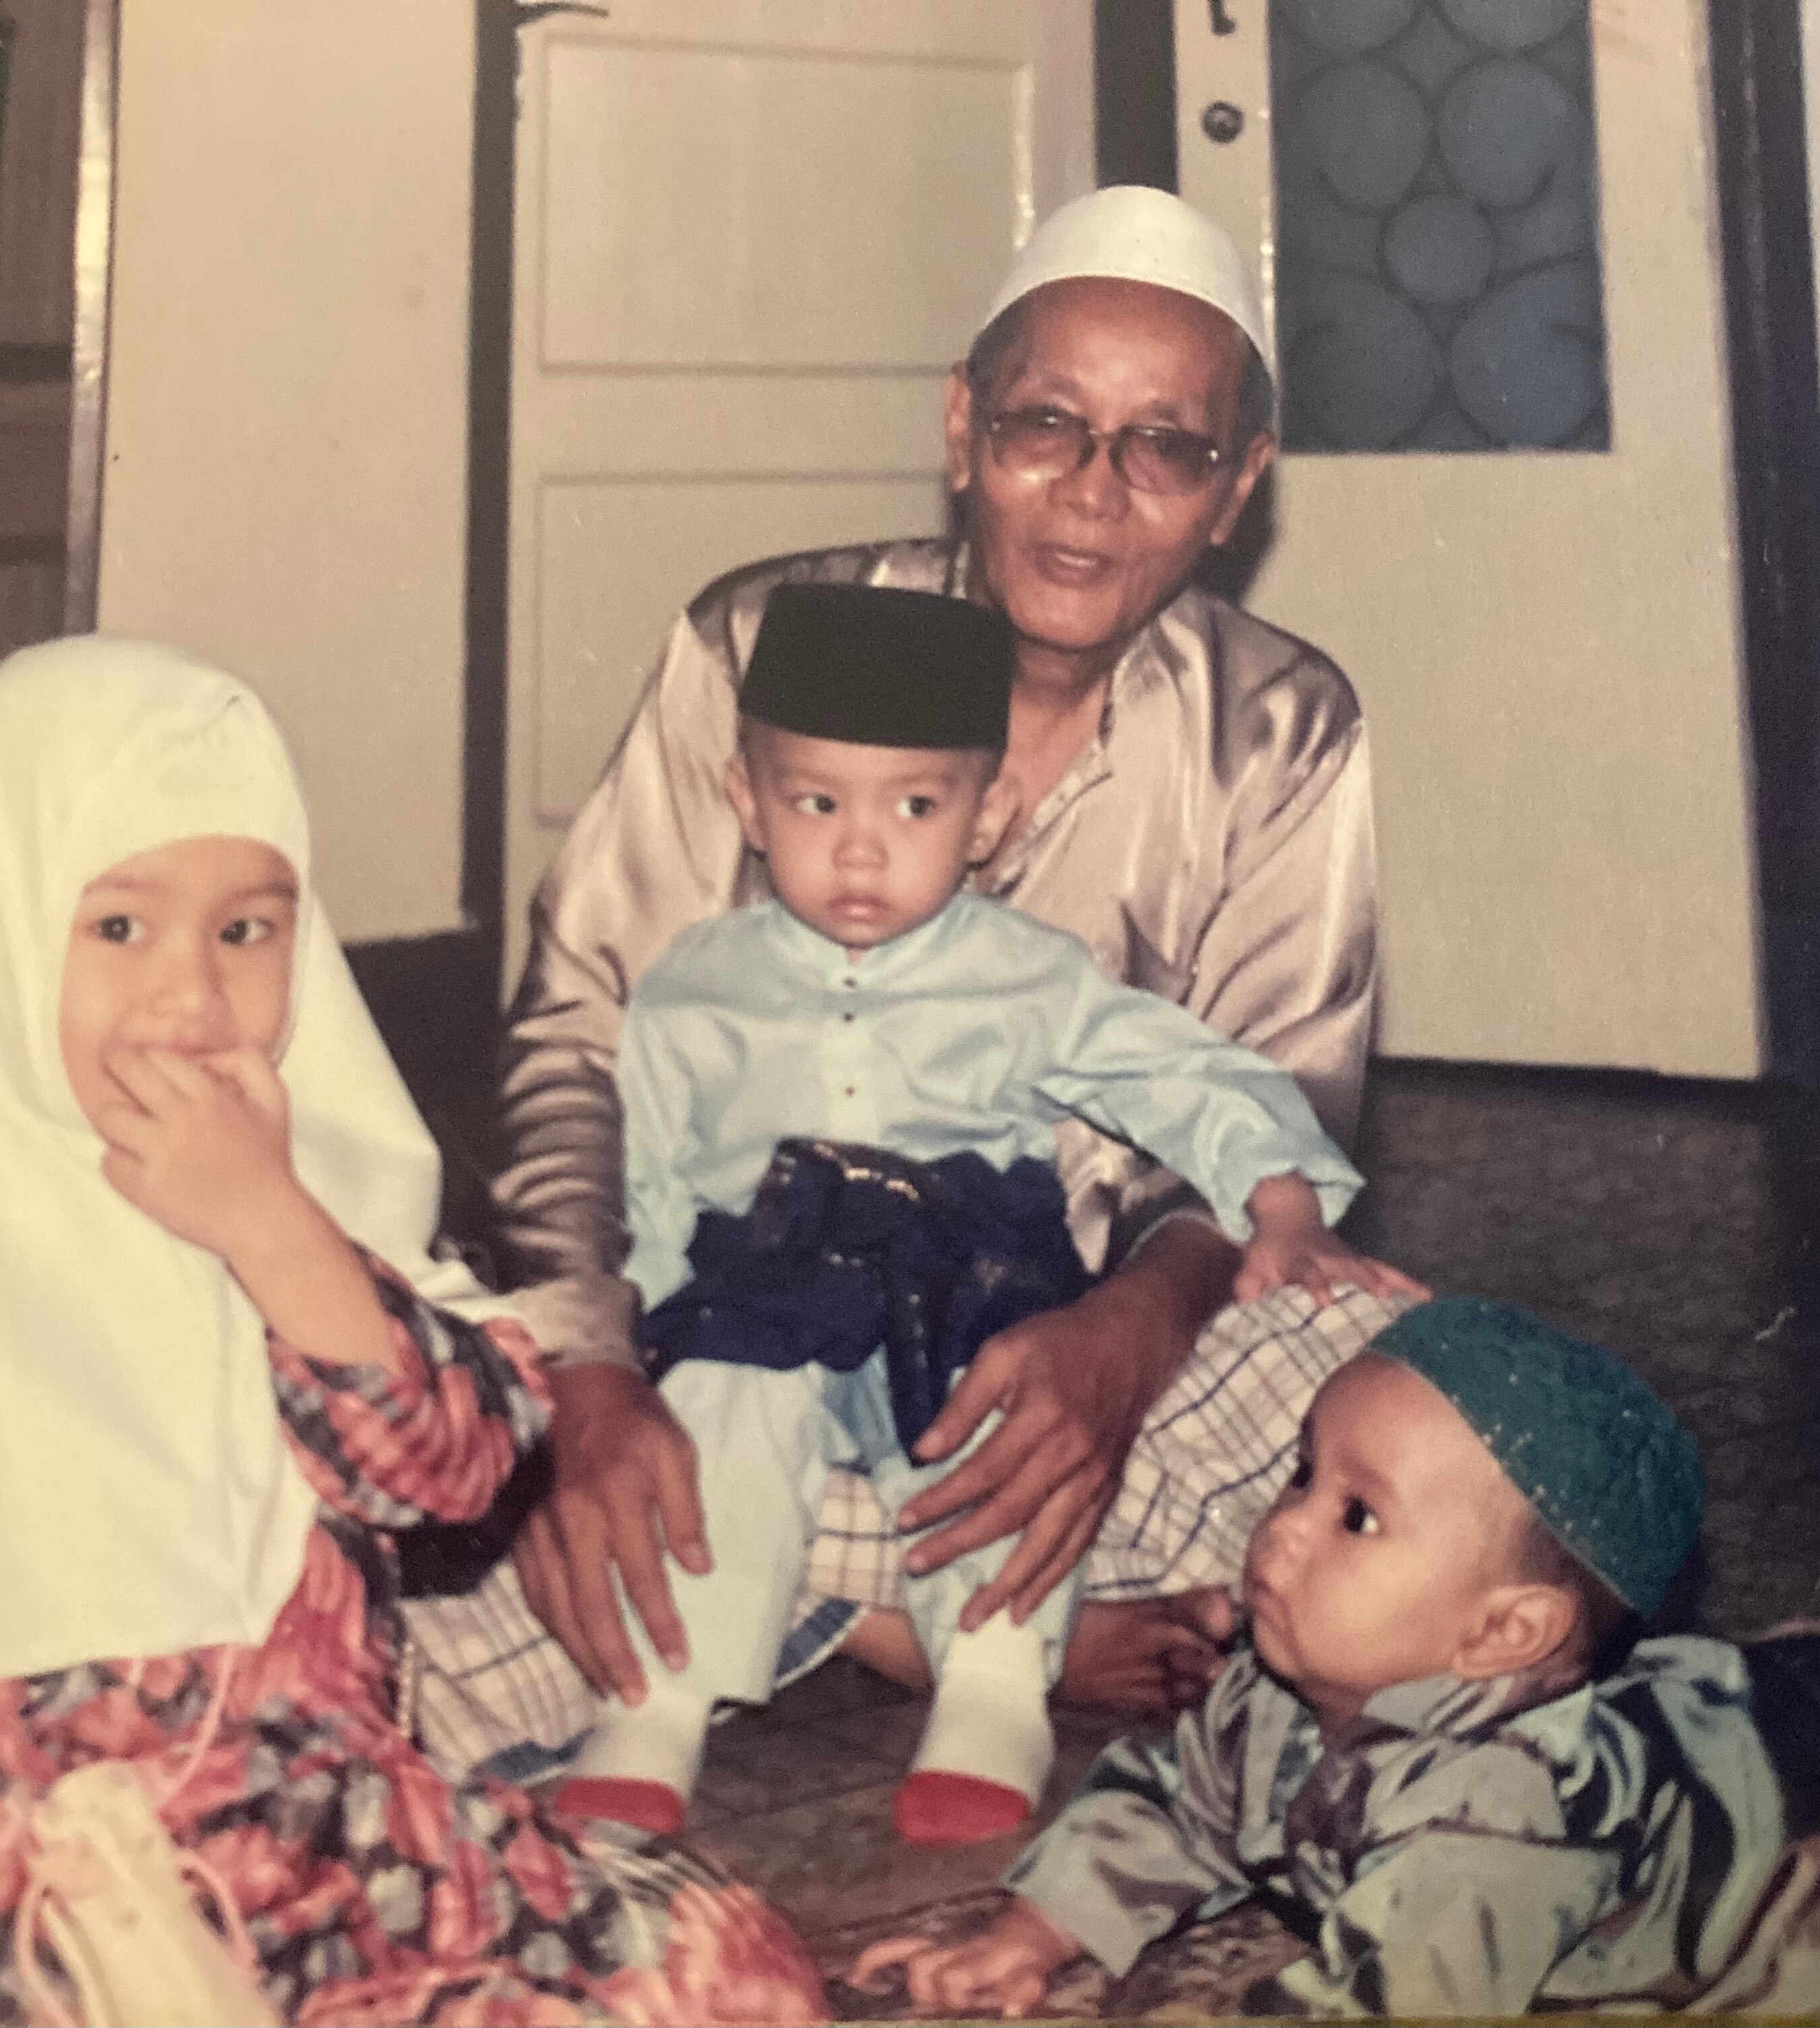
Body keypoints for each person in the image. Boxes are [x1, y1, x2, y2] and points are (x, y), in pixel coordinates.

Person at [402, 184, 1393, 1776]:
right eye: (1044, 427)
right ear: (960, 428)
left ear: (1237, 487)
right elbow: (579, 1039)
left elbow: (1271, 1104)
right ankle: (954, 1622)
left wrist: (1129, 1339)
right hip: (719, 1312)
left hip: (1032, 1351)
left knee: (1382, 1367)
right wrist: (589, 1376)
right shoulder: (757, 649)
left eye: (1166, 446)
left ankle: (828, 1591)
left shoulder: (1280, 728)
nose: (1089, 494)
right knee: (408, 1351)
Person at [0, 640, 823, 2028]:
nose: (192, 996)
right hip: (96, 1939)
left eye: (246, 929)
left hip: (364, 1871)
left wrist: (276, 1229)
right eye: (116, 929)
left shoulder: (285, 1186)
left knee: (729, 1969)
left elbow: (459, 1471)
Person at [549, 580, 1418, 1848]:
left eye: (914, 806)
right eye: (815, 803)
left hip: (966, 1275)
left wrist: (1281, 1204)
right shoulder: (692, 988)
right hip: (770, 1284)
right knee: (715, 1417)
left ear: (986, 815)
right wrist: (627, 1338)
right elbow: (654, 1181)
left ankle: (994, 1686)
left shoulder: (1028, 977)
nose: (860, 848)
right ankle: (660, 1696)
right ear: (746, 802)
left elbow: (1182, 1075)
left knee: (997, 1421)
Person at [851, 1296, 1820, 2019]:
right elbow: (1174, 1807)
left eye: (1356, 1515)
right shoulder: (1269, 1696)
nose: (1286, 1528)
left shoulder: (1502, 1811)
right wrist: (1030, 1934)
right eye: (1302, 1474)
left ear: (1498, 1636)